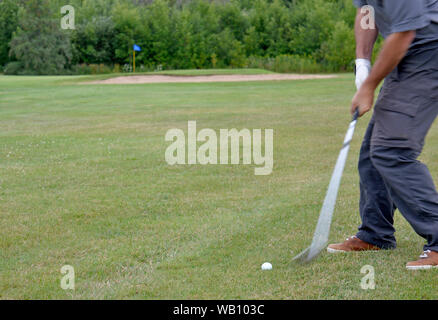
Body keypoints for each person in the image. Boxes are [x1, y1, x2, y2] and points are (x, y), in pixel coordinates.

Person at [327, 0, 438, 270]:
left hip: (429, 53)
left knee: (392, 150)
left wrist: (370, 86)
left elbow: (404, 33)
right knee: (373, 151)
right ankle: (375, 233)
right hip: (408, 55)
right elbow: (367, 11)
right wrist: (362, 62)